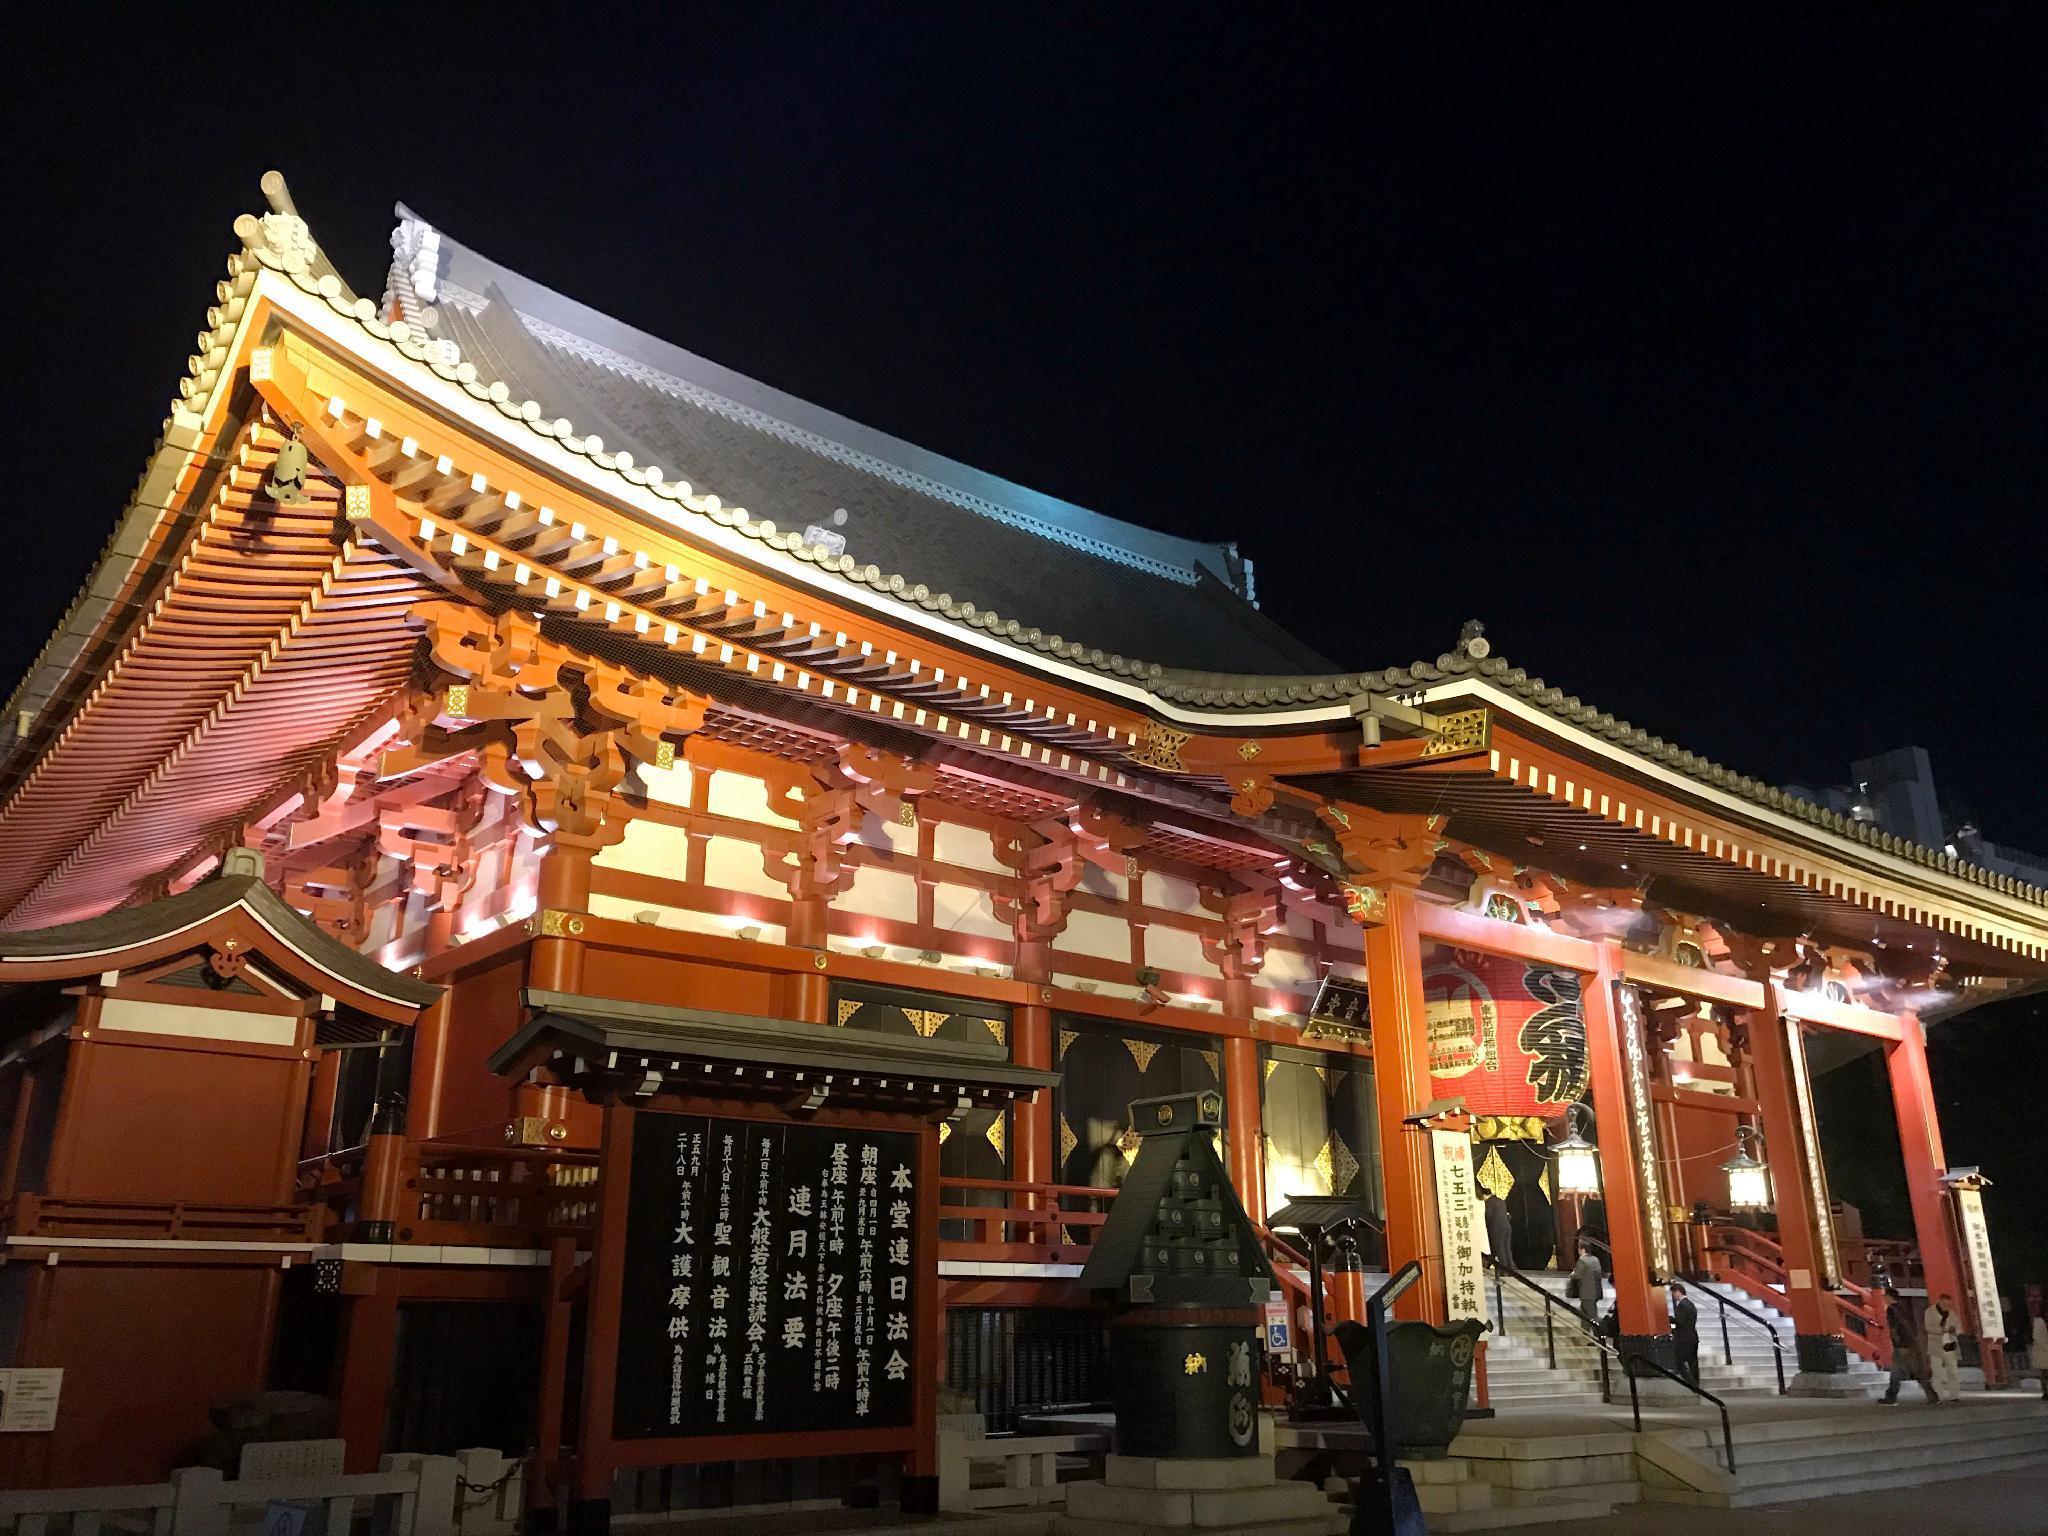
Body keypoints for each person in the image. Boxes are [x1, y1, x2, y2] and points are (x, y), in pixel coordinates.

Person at [1880, 1288, 1936, 1405]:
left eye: (1885, 1296)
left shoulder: (1891, 1310)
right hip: (1911, 1343)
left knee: (1897, 1372)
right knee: (1915, 1370)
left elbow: (1895, 1328)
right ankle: (1932, 1395)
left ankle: (1891, 1397)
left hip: (1902, 1345)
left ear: (1890, 1297)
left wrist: (1898, 1343)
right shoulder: (1904, 1308)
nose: (1884, 1299)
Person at [1925, 1290, 1963, 1404]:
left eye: (1948, 1304)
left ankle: (1954, 1395)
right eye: (1944, 1304)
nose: (1946, 1306)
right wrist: (1942, 1330)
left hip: (1950, 1344)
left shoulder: (1952, 1314)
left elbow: (1958, 1328)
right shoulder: (1930, 1312)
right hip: (1936, 1345)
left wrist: (1954, 1330)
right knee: (1937, 1372)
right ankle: (1938, 1395)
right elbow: (1927, 1327)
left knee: (1953, 1371)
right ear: (1939, 1301)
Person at [1669, 1282, 1700, 1386]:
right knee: (1693, 1363)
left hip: (1684, 1340)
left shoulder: (1682, 1305)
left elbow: (1680, 1322)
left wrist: (1670, 1319)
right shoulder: (1691, 1304)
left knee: (1679, 1364)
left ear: (1678, 1292)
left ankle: (1692, 1384)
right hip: (1693, 1337)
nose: (1674, 1296)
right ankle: (1697, 1384)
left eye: (1674, 1293)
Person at [1568, 1238, 1604, 1327]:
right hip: (1595, 1291)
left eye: (1579, 1249)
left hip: (1586, 1292)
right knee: (1586, 1314)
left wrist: (1572, 1273)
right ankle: (1585, 1333)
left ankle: (1598, 1334)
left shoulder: (1582, 1260)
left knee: (1591, 1316)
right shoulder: (1595, 1260)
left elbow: (1577, 1275)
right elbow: (1599, 1274)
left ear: (1582, 1249)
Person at [1483, 1188, 1515, 1271]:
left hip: (1497, 1228)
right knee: (1507, 1248)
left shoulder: (1489, 1202)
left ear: (1484, 1195)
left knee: (1500, 1248)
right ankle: (1510, 1268)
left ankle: (1503, 1269)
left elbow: (1488, 1216)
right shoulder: (1500, 1201)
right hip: (1507, 1227)